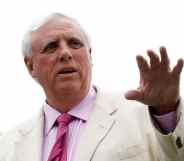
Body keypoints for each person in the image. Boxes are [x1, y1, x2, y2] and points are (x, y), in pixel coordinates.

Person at [0, 13, 183, 161]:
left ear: (90, 55)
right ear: (31, 66)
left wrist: (167, 110)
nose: (65, 53)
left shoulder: (146, 115)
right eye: (51, 47)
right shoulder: (7, 145)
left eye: (75, 44)